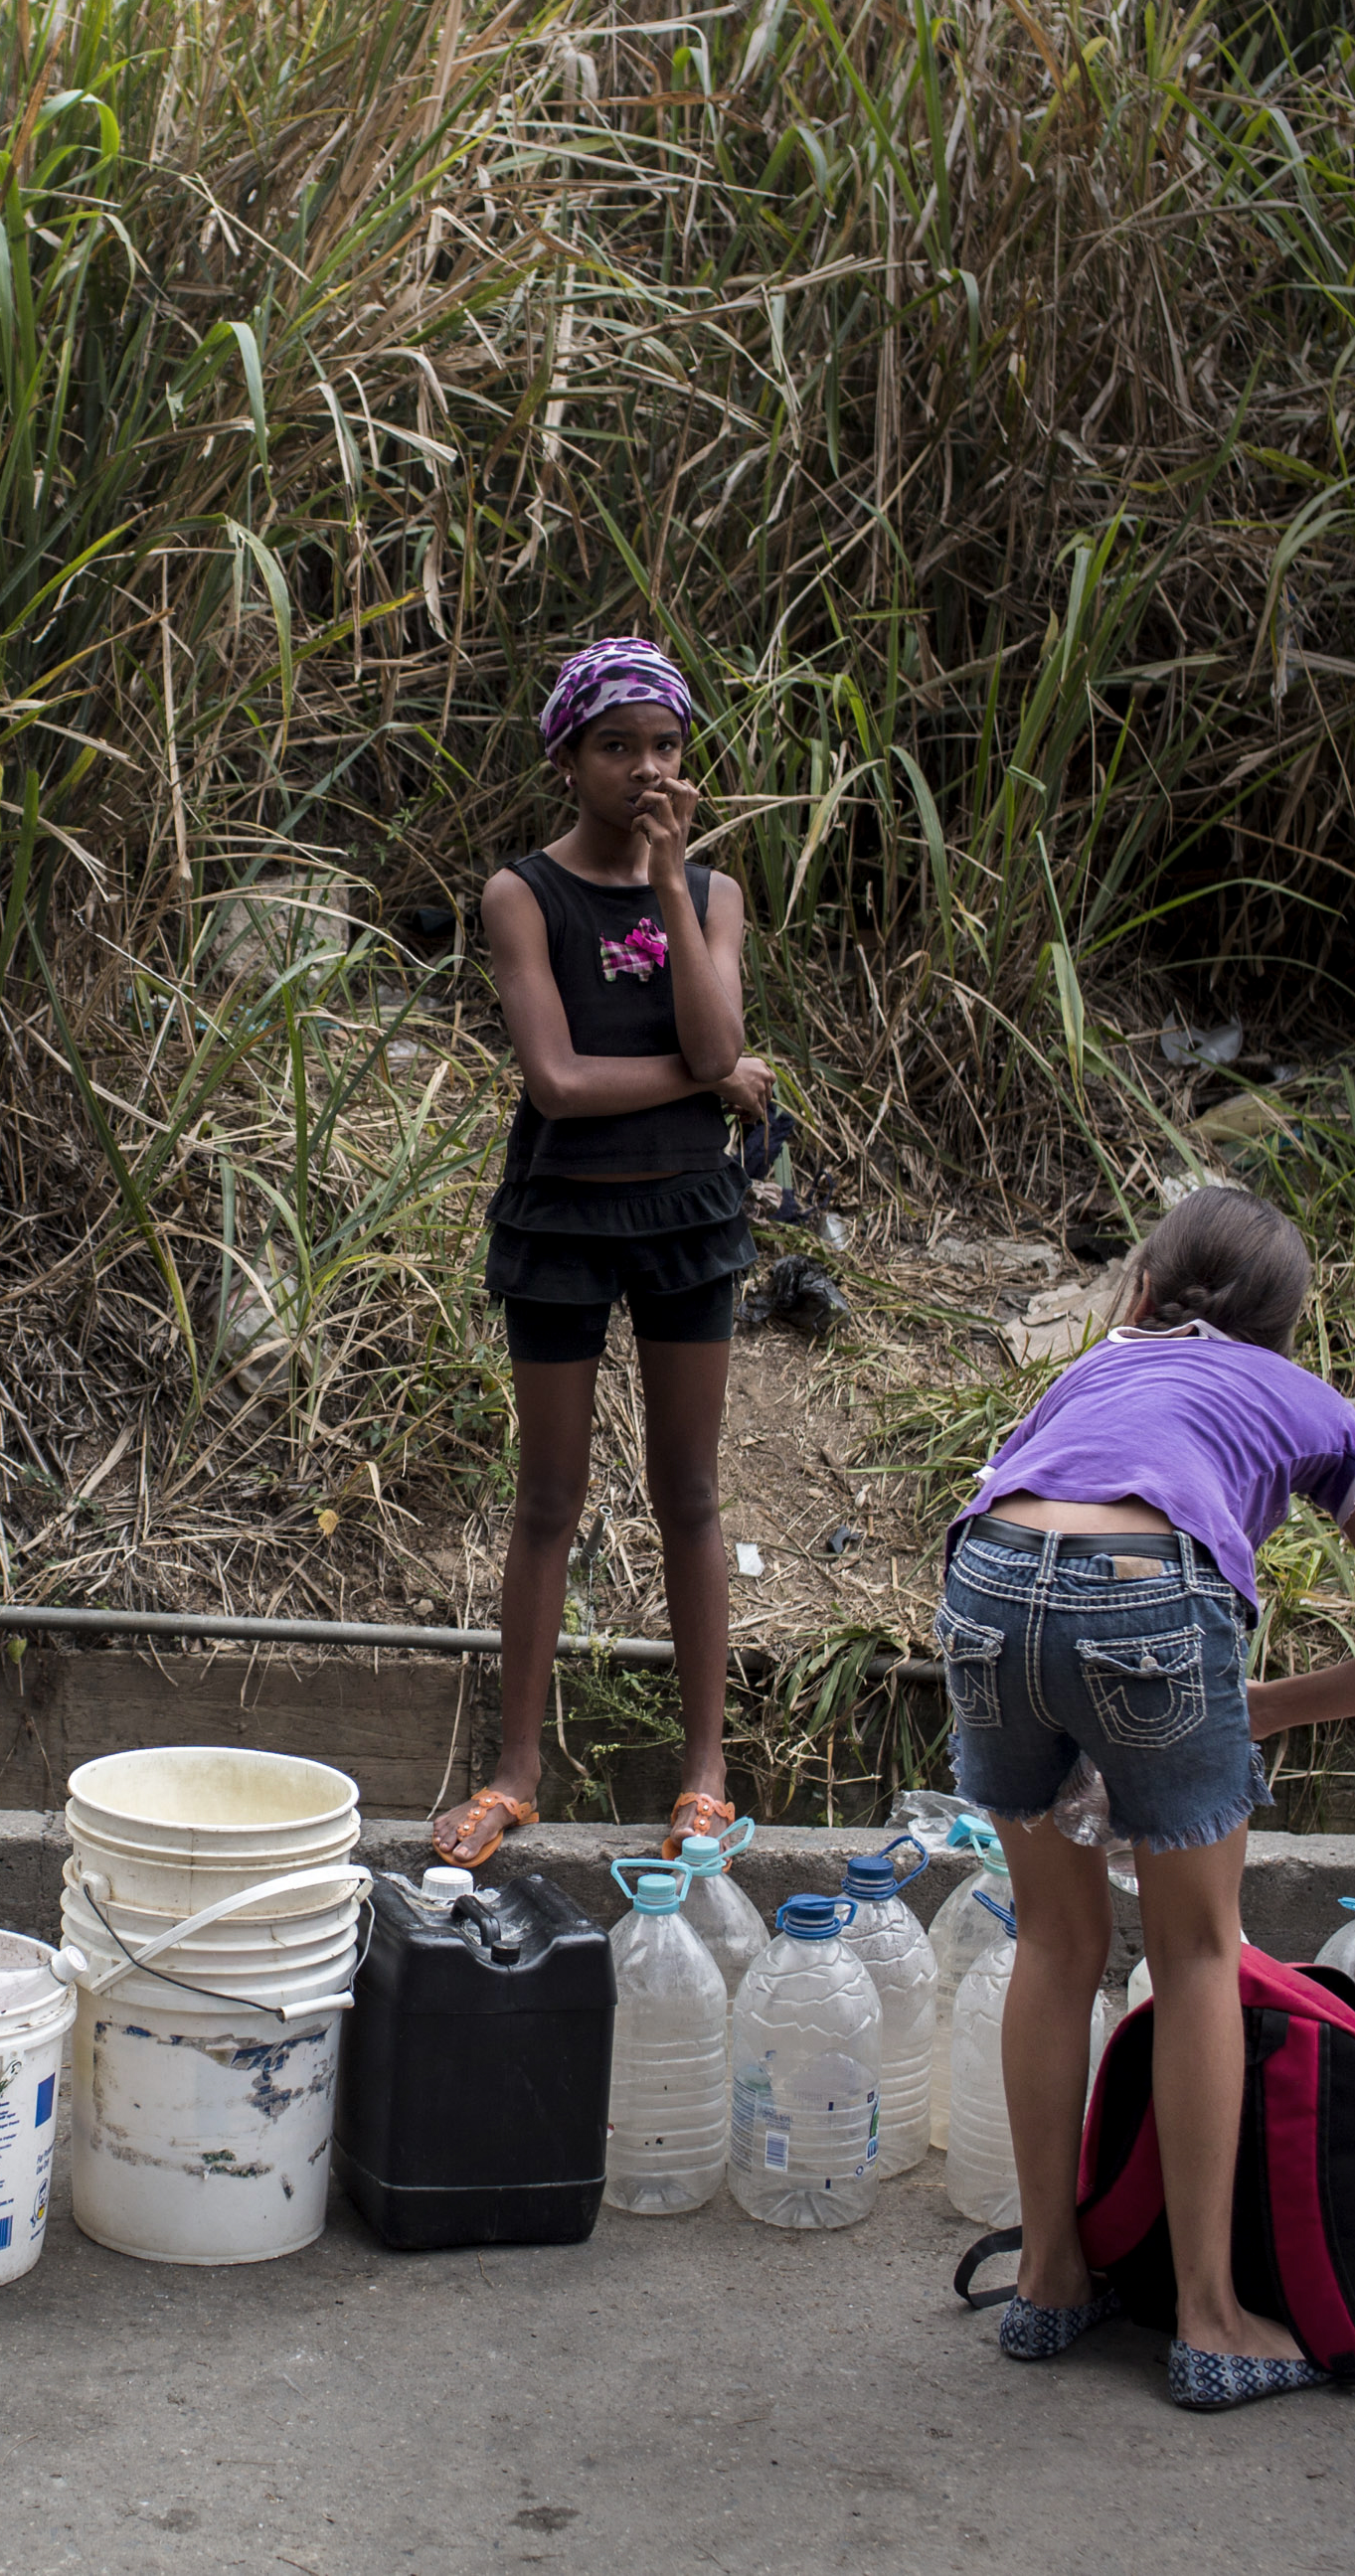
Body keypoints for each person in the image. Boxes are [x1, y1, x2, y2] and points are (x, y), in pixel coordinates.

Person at [934, 1188, 1355, 2411]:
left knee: (1057, 1937)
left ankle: (1047, 2282)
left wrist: (1233, 1708)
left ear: (1137, 1293)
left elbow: (1034, 1543)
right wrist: (1267, 1705)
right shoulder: (1303, 1400)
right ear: (1282, 1331)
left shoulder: (1087, 1376)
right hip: (1148, 1594)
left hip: (983, 1583)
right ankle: (1209, 2318)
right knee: (1194, 1953)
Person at [430, 638, 774, 1870]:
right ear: (568, 756)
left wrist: (674, 881)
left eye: (666, 748)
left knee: (690, 1495)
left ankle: (703, 1773)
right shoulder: (523, 894)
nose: (645, 770)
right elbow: (560, 1083)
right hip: (563, 1218)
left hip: (689, 1216)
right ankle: (515, 1773)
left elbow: (716, 1025)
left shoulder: (713, 894)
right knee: (546, 1503)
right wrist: (707, 1081)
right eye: (617, 746)